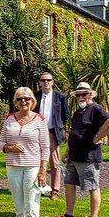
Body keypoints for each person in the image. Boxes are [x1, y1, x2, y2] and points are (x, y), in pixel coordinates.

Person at [53, 82, 109, 217]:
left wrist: (97, 138)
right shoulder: (78, 112)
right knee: (69, 185)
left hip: (89, 156)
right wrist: (67, 151)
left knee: (92, 187)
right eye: (78, 95)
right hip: (74, 156)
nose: (81, 97)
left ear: (90, 95)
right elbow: (74, 133)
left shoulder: (96, 108)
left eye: (84, 94)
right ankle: (69, 216)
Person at [0, 87, 50, 217]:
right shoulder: (9, 120)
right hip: (13, 166)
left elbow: (45, 148)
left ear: (32, 101)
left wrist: (43, 170)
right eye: (20, 99)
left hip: (32, 168)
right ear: (16, 101)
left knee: (32, 207)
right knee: (19, 208)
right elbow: (1, 142)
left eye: (27, 99)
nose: (23, 102)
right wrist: (9, 147)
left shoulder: (39, 120)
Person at [34, 72, 69, 200]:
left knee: (54, 162)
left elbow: (66, 115)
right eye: (43, 80)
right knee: (36, 160)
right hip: (37, 132)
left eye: (48, 80)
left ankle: (55, 190)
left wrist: (59, 126)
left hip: (52, 132)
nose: (46, 82)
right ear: (40, 82)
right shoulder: (35, 96)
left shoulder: (60, 97)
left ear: (52, 82)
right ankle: (38, 186)